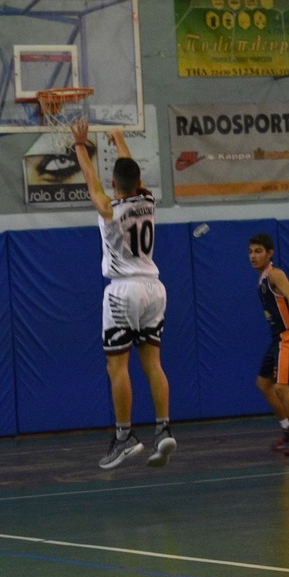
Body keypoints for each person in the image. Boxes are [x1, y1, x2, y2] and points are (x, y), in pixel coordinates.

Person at [72, 120, 177, 469]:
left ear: (115, 185)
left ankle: (124, 436)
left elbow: (92, 182)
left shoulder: (110, 209)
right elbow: (131, 174)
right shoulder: (147, 200)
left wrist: (80, 145)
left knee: (117, 366)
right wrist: (119, 139)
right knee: (153, 363)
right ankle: (163, 429)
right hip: (154, 289)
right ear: (138, 182)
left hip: (123, 290)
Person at [248, 233, 289, 456]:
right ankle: (288, 430)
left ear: (270, 253)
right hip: (277, 338)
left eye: (258, 251)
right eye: (251, 252)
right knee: (263, 383)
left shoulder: (275, 274)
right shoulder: (262, 278)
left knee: (281, 388)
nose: (253, 256)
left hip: (288, 337)